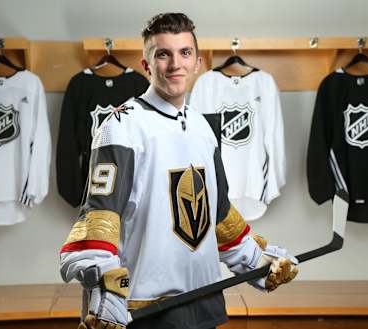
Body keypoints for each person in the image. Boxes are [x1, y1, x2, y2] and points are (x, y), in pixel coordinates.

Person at [59, 12, 298, 329]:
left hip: (204, 301)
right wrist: (104, 284)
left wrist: (257, 262)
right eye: (163, 54)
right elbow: (100, 216)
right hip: (147, 310)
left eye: (185, 53)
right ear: (147, 65)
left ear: (198, 62)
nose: (175, 64)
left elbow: (219, 212)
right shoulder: (122, 126)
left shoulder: (203, 127)